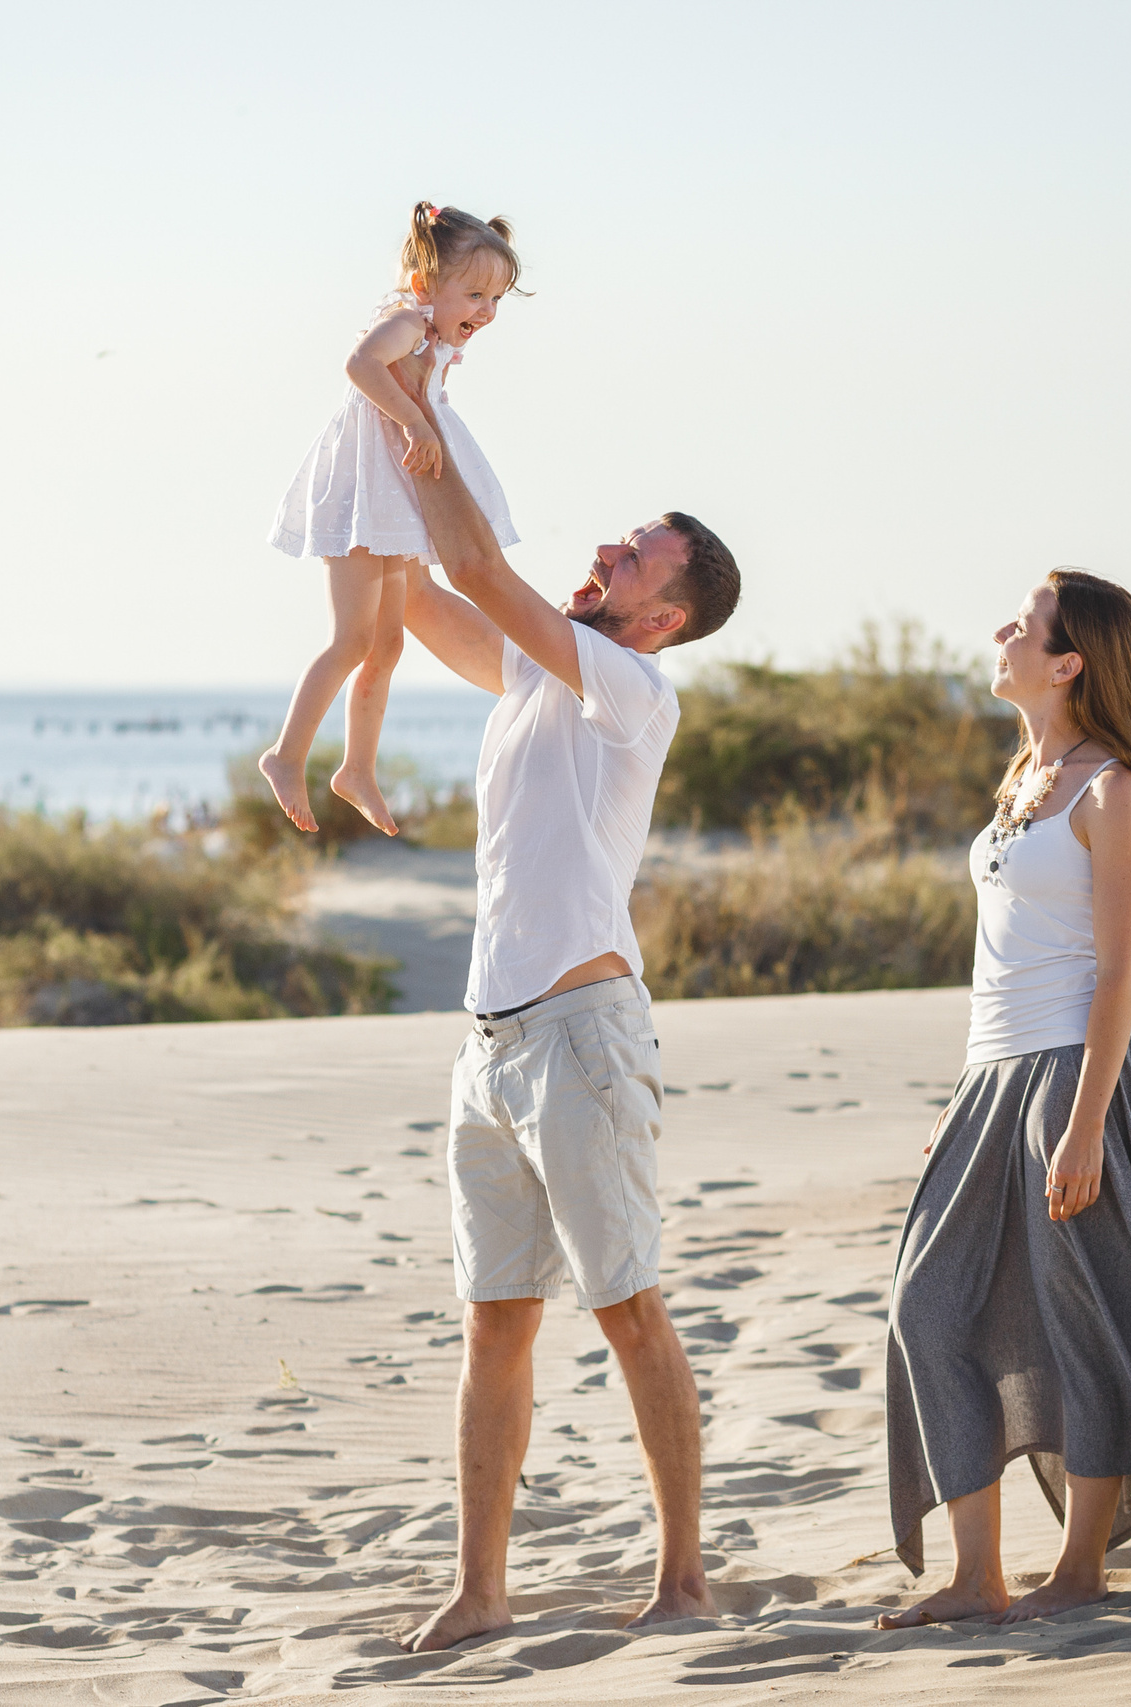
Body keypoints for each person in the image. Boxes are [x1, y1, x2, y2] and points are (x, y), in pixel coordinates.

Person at [386, 375, 741, 1653]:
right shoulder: (539, 681)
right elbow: (422, 587)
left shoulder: (631, 693)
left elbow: (476, 561)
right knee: (494, 1324)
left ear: (666, 614)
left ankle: (684, 1579)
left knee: (627, 1306)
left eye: (635, 551)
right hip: (488, 1045)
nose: (605, 549)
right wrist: (376, 444)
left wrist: (420, 404)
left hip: (583, 1040)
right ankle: (482, 1590)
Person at [877, 569, 1131, 1629]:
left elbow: (1117, 974)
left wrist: (1083, 1125)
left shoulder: (1111, 792)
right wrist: (964, 1104)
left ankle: (1081, 1567)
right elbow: (1000, 960)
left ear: (1069, 660)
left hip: (1074, 1079)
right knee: (928, 1306)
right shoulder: (1022, 779)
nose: (1000, 631)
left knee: (1087, 1322)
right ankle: (975, 1575)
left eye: (1023, 622)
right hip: (993, 1079)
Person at [260, 201, 524, 838]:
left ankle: (357, 769)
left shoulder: (429, 339)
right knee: (353, 639)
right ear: (425, 286)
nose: (485, 312)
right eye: (475, 294)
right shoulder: (406, 323)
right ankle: (286, 755)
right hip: (359, 505)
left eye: (496, 299)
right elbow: (358, 365)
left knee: (388, 645)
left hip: (386, 504)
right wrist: (411, 421)